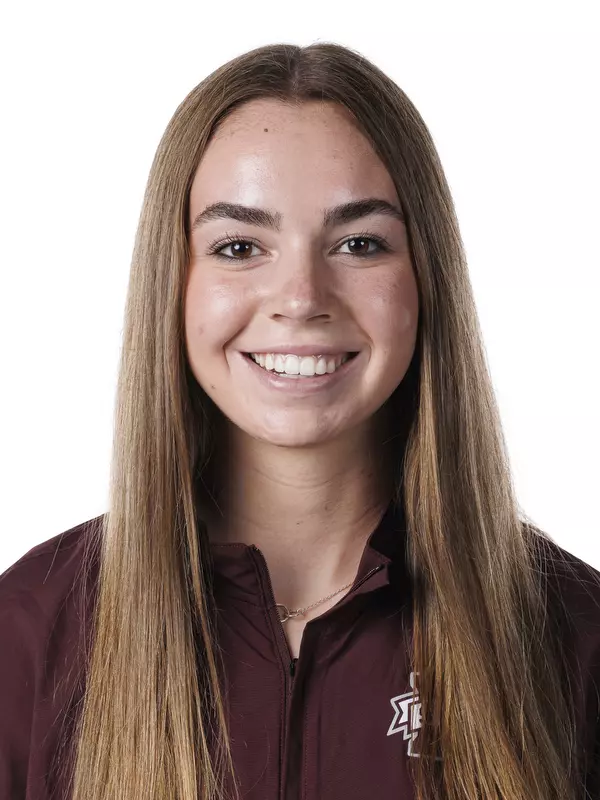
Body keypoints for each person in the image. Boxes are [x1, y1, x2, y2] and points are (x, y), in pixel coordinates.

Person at [1, 41, 599, 800]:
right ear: (174, 285)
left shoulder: (571, 638)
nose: (301, 295)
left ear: (425, 281)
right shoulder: (29, 635)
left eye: (358, 243)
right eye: (239, 246)